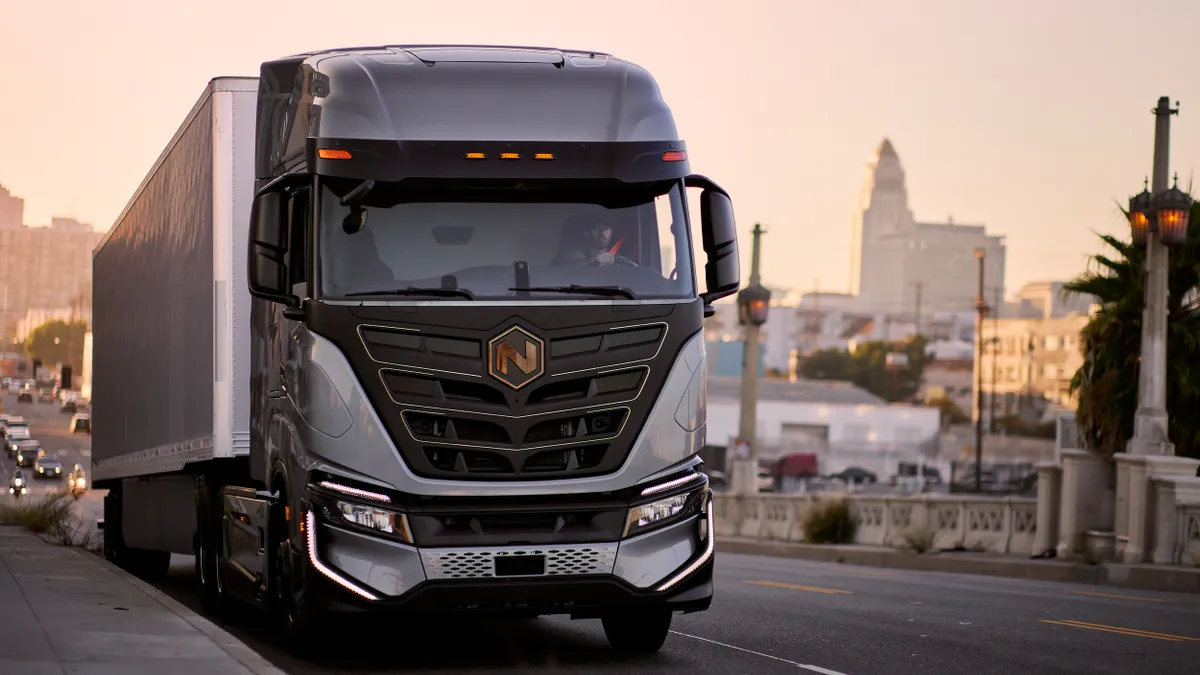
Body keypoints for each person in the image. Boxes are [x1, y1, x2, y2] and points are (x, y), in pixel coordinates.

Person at [553, 215, 629, 267]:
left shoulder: (619, 258)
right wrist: (596, 261)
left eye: (606, 229)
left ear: (612, 232)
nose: (602, 233)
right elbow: (568, 266)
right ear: (587, 233)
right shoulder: (572, 253)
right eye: (596, 229)